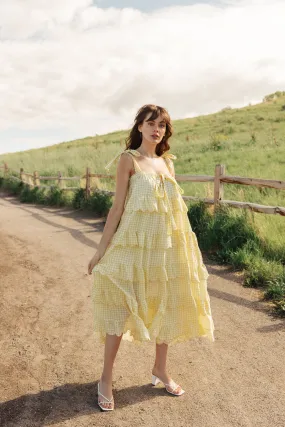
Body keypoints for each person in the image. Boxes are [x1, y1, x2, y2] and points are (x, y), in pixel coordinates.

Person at [88, 104, 215, 411]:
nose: (156, 129)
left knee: (166, 307)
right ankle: (106, 378)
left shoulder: (166, 163)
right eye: (150, 123)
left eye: (161, 125)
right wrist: (100, 250)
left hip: (165, 250)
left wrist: (184, 250)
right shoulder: (128, 160)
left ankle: (160, 369)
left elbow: (174, 212)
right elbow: (117, 208)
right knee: (119, 308)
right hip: (133, 248)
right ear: (140, 127)